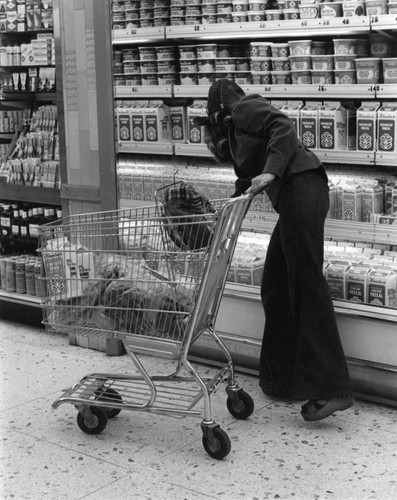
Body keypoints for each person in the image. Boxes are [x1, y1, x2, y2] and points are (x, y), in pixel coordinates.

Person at [200, 79, 354, 422]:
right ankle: (282, 378)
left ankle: (332, 389)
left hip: (302, 188)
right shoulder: (240, 132)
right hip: (295, 196)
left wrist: (270, 172)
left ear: (219, 113)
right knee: (275, 285)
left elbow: (282, 125)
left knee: (306, 285)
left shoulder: (243, 109)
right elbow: (247, 177)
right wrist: (225, 205)